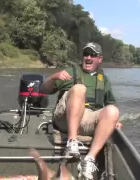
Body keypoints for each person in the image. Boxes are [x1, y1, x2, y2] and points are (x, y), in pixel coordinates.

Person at [41, 42, 121, 180]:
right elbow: (43, 90)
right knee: (79, 88)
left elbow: (110, 103)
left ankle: (89, 159)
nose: (88, 57)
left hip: (87, 120)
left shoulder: (104, 79)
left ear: (99, 59)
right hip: (65, 118)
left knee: (113, 111)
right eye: (86, 54)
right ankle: (72, 143)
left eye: (93, 55)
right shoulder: (71, 71)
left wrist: (116, 121)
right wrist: (54, 77)